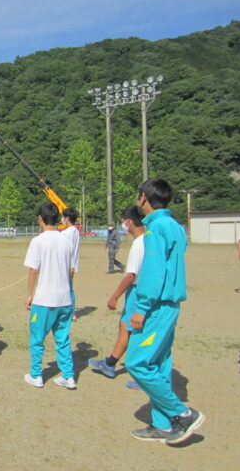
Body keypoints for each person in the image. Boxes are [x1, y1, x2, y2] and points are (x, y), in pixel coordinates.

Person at [125, 178, 204, 444]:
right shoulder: (175, 226)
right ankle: (163, 425)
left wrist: (142, 307)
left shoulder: (156, 228)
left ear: (144, 197)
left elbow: (154, 271)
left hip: (157, 306)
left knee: (136, 361)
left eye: (139, 195)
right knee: (158, 364)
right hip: (170, 304)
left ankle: (182, 413)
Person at [24, 202, 76, 390]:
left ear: (40, 219)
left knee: (37, 338)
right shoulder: (67, 241)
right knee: (62, 338)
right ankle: (68, 376)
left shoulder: (38, 241)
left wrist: (29, 294)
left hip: (44, 299)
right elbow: (71, 270)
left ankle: (36, 374)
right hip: (65, 298)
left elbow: (33, 270)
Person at [89, 205, 145, 378]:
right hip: (144, 289)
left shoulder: (138, 245)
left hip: (137, 290)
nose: (123, 226)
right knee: (132, 328)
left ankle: (111, 365)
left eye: (123, 222)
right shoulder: (149, 240)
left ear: (129, 222)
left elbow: (130, 275)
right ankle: (113, 363)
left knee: (126, 327)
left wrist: (114, 297)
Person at [61, 208, 80, 321]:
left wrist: (71, 265)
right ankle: (71, 312)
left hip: (67, 266)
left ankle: (68, 312)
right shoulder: (75, 231)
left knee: (65, 289)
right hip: (72, 265)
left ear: (67, 218)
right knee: (69, 289)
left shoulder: (67, 233)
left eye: (63, 217)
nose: (62, 219)